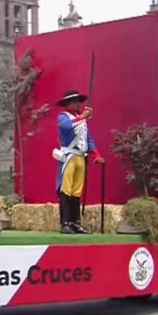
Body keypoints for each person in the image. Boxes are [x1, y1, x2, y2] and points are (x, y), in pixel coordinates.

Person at [53, 89, 104, 234]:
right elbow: (66, 127)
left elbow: (88, 139)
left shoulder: (81, 120)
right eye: (73, 101)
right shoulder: (63, 116)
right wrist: (82, 117)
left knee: (76, 191)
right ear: (67, 103)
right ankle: (65, 223)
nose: (76, 103)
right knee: (66, 190)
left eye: (77, 101)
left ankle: (76, 222)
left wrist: (96, 155)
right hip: (69, 156)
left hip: (80, 157)